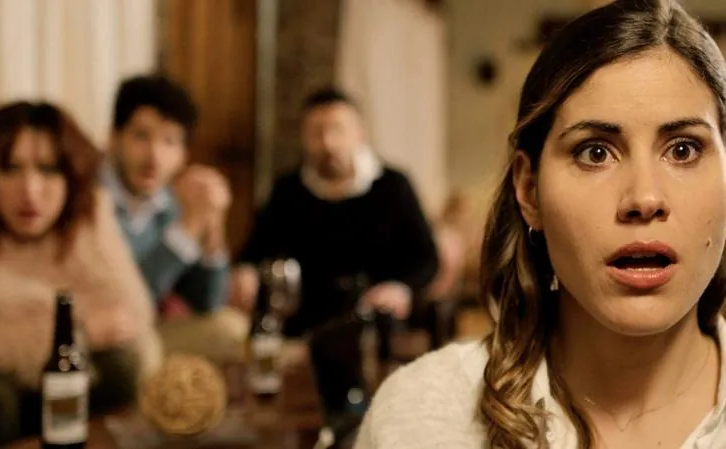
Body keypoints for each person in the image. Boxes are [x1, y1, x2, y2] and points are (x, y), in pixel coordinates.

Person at [355, 0, 726, 448]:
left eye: (683, 150)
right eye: (595, 152)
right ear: (529, 190)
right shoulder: (418, 418)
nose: (645, 199)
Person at [0, 102, 162, 447]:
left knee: (123, 365)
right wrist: (79, 331)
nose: (30, 191)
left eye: (48, 170)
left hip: (76, 389)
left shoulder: (88, 214)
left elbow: (131, 315)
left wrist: (20, 318)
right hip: (2, 397)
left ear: (72, 175)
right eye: (11, 169)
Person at [231, 87, 438, 339]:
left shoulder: (393, 186)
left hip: (375, 323)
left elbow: (426, 258)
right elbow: (254, 251)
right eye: (316, 132)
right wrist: (247, 272)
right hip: (301, 325)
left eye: (337, 130)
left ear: (360, 133)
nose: (328, 143)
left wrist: (400, 288)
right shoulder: (288, 190)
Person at [104, 75, 247, 361]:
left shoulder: (170, 203)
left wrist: (212, 222)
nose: (154, 156)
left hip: (148, 333)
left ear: (184, 155)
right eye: (141, 136)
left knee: (232, 329)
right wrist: (188, 227)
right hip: (105, 334)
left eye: (169, 141)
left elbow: (208, 301)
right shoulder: (92, 201)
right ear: (114, 138)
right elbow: (129, 298)